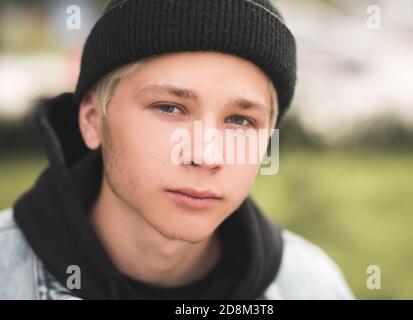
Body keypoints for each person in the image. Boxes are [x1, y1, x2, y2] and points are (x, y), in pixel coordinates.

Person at [0, 0, 353, 300]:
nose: (206, 155)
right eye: (169, 108)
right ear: (93, 121)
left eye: (240, 121)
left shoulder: (312, 287)